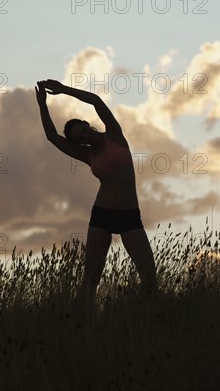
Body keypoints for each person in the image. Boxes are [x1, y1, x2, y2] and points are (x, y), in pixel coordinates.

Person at [35, 79, 158, 315]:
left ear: (86, 124)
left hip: (130, 216)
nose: (85, 137)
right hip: (102, 215)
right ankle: (87, 322)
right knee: (91, 278)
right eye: (79, 139)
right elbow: (52, 137)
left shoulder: (114, 134)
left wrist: (63, 90)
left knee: (149, 275)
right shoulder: (87, 155)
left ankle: (146, 315)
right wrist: (43, 104)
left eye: (83, 130)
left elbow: (96, 101)